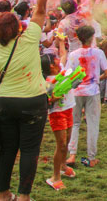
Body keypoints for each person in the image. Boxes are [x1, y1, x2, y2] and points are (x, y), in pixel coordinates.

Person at [0, 0, 57, 201]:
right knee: (29, 151)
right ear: (18, 28)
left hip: (5, 103)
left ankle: (3, 194)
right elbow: (42, 8)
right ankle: (24, 196)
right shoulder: (30, 38)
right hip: (33, 103)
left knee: (7, 151)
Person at [65, 25, 107, 167]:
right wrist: (96, 79)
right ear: (91, 38)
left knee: (75, 123)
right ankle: (91, 157)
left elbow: (68, 75)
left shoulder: (73, 55)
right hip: (93, 92)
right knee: (92, 124)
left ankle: (72, 155)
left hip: (76, 92)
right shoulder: (98, 53)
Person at [43, 38, 76, 190]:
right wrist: (55, 96)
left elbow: (63, 55)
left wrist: (61, 41)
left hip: (69, 108)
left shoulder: (60, 67)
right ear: (51, 66)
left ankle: (63, 166)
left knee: (68, 140)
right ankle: (55, 177)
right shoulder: (47, 82)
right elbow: (48, 100)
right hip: (57, 113)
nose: (58, 59)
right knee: (61, 144)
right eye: (54, 59)